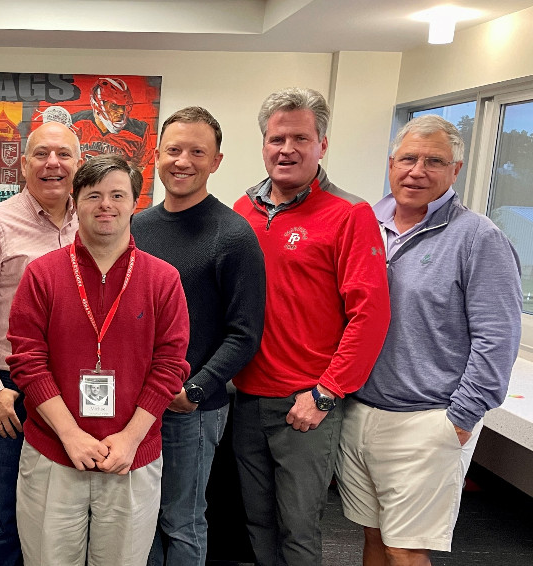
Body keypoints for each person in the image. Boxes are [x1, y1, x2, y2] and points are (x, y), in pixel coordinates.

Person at [337, 115, 522, 566]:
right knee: (374, 539)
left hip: (427, 419)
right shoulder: (364, 226)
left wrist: (460, 418)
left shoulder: (479, 238)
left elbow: (497, 339)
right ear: (391, 163)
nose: (417, 171)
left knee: (407, 549)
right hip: (360, 410)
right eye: (408, 158)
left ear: (455, 171)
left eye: (434, 161)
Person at [231, 87, 391, 566]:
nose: (287, 149)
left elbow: (371, 314)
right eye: (277, 138)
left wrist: (326, 392)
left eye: (301, 137)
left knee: (298, 529)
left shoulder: (350, 213)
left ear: (323, 144)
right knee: (255, 523)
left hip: (305, 404)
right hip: (245, 399)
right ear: (263, 144)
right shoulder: (243, 211)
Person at [8, 154, 191, 566]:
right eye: (93, 195)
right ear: (75, 202)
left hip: (132, 456)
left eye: (117, 195)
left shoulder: (164, 280)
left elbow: (170, 366)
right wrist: (70, 435)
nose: (105, 204)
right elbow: (28, 362)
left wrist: (130, 439)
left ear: (134, 203)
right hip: (54, 451)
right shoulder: (42, 274)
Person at [132, 106, 266, 566]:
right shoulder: (136, 227)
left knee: (181, 519)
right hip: (133, 407)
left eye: (197, 151)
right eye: (173, 149)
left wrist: (196, 390)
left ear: (217, 161)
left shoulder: (232, 235)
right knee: (138, 517)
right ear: (156, 154)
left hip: (190, 407)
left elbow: (244, 333)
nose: (182, 161)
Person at [0, 121, 82, 566]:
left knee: (62, 510)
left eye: (64, 154)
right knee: (3, 512)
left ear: (78, 163)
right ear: (24, 163)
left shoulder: (93, 223)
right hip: (11, 391)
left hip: (73, 389)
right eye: (42, 154)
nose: (53, 163)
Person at [71, 78, 156, 208]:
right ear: (98, 104)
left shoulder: (138, 132)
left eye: (124, 106)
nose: (121, 112)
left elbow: (135, 175)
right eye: (115, 106)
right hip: (80, 200)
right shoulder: (75, 124)